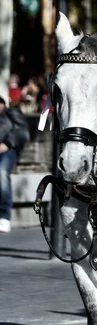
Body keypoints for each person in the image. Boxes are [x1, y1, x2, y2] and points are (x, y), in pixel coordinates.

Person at [0, 96, 30, 232]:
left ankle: (4, 216)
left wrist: (7, 143)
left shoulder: (11, 113)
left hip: (8, 150)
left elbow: (23, 133)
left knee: (1, 170)